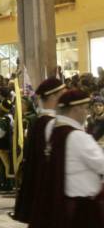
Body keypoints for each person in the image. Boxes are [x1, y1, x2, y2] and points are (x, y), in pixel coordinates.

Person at [32, 89, 104, 226]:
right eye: (85, 108)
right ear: (75, 109)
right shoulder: (78, 136)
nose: (87, 112)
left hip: (63, 201)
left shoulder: (54, 130)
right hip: (83, 207)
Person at [12, 77, 65, 222]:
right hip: (49, 188)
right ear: (53, 96)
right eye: (62, 94)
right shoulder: (50, 123)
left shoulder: (40, 121)